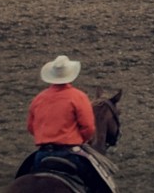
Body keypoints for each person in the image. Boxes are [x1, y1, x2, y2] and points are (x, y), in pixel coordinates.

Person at [21, 55, 104, 189]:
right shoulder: (78, 96)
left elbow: (31, 127)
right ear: (70, 75)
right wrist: (81, 139)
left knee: (22, 176)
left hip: (42, 155)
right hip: (70, 154)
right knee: (98, 183)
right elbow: (88, 127)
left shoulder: (38, 98)